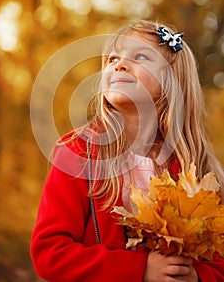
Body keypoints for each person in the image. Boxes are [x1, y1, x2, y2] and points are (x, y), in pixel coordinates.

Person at [31, 20, 224, 282]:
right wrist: (139, 269)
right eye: (112, 58)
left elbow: (219, 259)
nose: (118, 64)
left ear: (172, 81)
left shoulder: (198, 167)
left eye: (140, 57)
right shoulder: (78, 153)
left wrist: (196, 277)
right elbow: (50, 253)